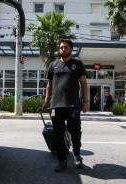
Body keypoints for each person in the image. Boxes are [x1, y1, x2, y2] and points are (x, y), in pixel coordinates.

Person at [41, 39, 88, 172]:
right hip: (56, 105)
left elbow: (84, 83)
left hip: (74, 105)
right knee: (58, 134)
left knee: (75, 132)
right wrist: (46, 101)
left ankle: (77, 155)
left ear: (71, 49)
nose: (63, 49)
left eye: (66, 47)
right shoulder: (53, 65)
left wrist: (85, 102)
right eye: (61, 47)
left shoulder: (77, 64)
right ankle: (62, 160)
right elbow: (49, 85)